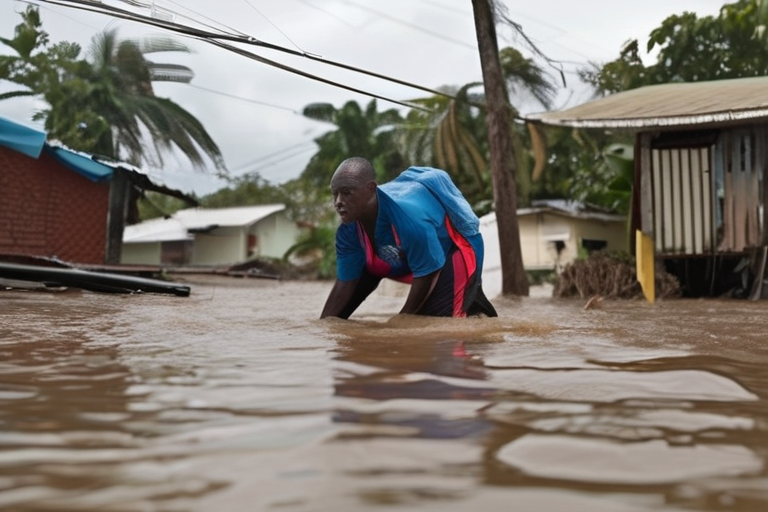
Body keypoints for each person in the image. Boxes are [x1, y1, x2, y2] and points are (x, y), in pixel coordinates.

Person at [320, 157, 498, 319]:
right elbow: (345, 283)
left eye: (347, 192)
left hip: (448, 252)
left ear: (371, 189)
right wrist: (324, 328)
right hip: (399, 257)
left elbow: (429, 272)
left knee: (438, 326)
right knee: (336, 321)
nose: (338, 202)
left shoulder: (409, 221)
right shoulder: (347, 232)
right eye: (335, 194)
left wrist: (402, 319)